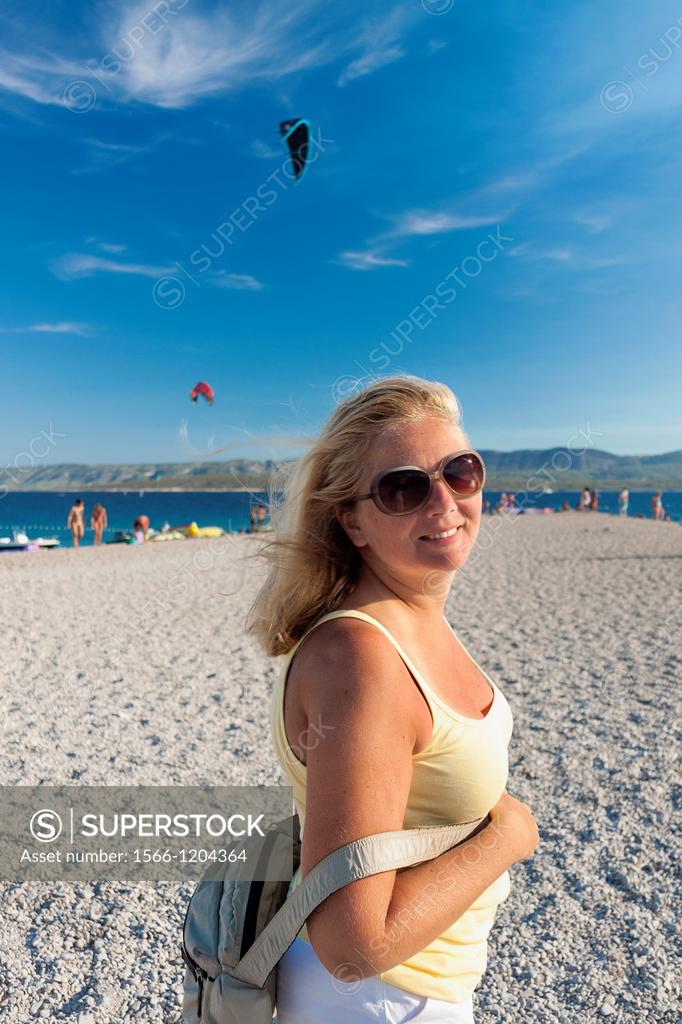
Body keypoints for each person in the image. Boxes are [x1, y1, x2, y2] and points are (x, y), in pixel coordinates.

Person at [246, 375, 539, 1023]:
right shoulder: (363, 656)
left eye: (460, 472)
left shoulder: (411, 616)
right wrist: (509, 836)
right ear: (352, 520)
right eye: (403, 487)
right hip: (376, 1003)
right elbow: (351, 944)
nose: (444, 501)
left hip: (413, 992)